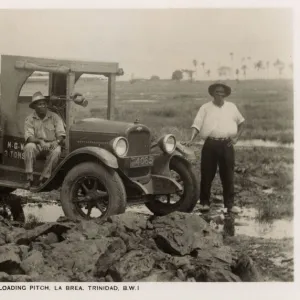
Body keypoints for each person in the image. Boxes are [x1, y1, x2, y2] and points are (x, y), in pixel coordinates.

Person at [184, 82, 245, 214]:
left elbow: (241, 123)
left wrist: (236, 138)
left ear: (225, 94)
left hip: (227, 145)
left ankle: (229, 205)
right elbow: (197, 125)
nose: (220, 95)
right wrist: (191, 139)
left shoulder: (231, 107)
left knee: (228, 176)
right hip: (210, 145)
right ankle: (204, 203)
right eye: (217, 92)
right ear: (212, 94)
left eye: (222, 92)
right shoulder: (205, 108)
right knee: (207, 175)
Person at [24, 91, 66, 188]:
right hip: (37, 144)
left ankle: (44, 179)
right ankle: (29, 178)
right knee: (29, 147)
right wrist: (40, 141)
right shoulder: (29, 119)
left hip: (52, 143)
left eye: (44, 104)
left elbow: (61, 134)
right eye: (39, 104)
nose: (43, 106)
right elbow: (29, 137)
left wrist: (57, 141)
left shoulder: (55, 117)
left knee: (57, 151)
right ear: (34, 106)